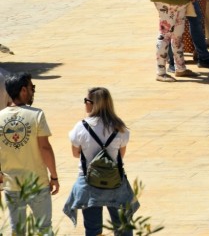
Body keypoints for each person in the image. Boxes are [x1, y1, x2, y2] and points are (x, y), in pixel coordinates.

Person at [63, 87, 138, 236]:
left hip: (89, 183)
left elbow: (75, 153)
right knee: (123, 227)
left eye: (86, 101)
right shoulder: (119, 127)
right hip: (115, 182)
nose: (85, 104)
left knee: (93, 229)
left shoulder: (81, 127)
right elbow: (120, 155)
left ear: (93, 104)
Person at [0, 73, 58, 234]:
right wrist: (54, 177)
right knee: (44, 228)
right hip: (37, 182)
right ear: (23, 90)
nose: (33, 91)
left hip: (12, 184)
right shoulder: (37, 115)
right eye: (32, 88)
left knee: (17, 230)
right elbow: (44, 148)